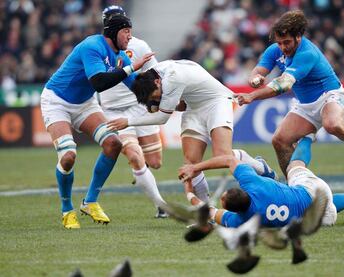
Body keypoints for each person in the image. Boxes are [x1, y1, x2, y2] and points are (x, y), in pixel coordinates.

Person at [236, 10, 344, 177]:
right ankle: (294, 185)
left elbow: (283, 84)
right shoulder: (275, 50)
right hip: (305, 105)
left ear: (298, 37)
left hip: (330, 95)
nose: (283, 47)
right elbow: (258, 70)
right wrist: (255, 78)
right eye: (280, 43)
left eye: (287, 42)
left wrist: (252, 96)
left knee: (332, 124)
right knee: (279, 140)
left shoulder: (307, 53)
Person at [40, 12, 154, 229]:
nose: (130, 36)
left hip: (84, 103)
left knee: (114, 143)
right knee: (68, 156)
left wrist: (160, 98)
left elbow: (137, 88)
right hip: (57, 101)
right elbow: (99, 82)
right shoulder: (92, 46)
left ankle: (90, 201)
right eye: (126, 31)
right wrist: (130, 68)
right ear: (113, 32)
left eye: (130, 31)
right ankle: (66, 209)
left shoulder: (122, 56)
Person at [107, 59, 277, 203]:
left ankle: (259, 166)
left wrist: (128, 121)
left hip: (216, 102)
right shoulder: (156, 74)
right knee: (191, 163)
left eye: (156, 95)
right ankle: (206, 212)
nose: (157, 99)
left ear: (157, 82)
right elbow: (180, 101)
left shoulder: (172, 79)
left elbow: (162, 118)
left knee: (222, 157)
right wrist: (155, 102)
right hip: (193, 107)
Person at [178, 135, 344, 228]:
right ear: (242, 191)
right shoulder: (253, 184)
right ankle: (308, 137)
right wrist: (195, 168)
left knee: (323, 203)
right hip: (314, 191)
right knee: (295, 168)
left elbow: (207, 211)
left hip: (316, 220)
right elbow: (231, 159)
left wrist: (189, 192)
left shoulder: (240, 221)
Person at [98, 5, 167, 218]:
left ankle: (142, 173)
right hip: (113, 111)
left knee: (155, 162)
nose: (127, 32)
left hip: (138, 106)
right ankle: (161, 206)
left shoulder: (139, 45)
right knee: (135, 156)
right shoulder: (96, 48)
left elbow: (156, 72)